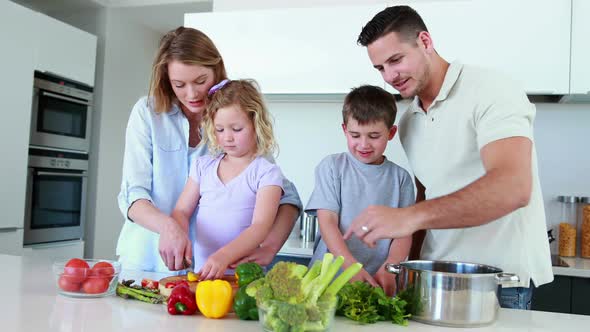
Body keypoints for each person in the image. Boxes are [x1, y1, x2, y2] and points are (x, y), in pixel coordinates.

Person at [344, 5, 553, 309]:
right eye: (380, 68)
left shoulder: (491, 90)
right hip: (433, 280)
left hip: (497, 283)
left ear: (425, 41)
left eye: (396, 60)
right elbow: (426, 197)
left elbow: (514, 187)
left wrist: (406, 217)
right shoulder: (409, 122)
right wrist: (399, 266)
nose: (389, 76)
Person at [116, 27, 302, 273]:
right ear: (166, 81)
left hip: (213, 269)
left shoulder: (233, 117)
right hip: (147, 259)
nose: (191, 94)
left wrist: (270, 246)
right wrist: (169, 226)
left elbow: (286, 197)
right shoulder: (147, 113)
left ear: (216, 70)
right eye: (179, 84)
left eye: (200, 81)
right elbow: (133, 194)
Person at [306, 85, 414, 296]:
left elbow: (404, 233)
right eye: (355, 135)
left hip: (376, 283)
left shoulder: (401, 179)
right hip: (327, 284)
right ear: (345, 130)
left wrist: (390, 269)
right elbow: (327, 222)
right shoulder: (332, 167)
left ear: (391, 133)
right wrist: (352, 268)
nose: (363, 144)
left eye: (374, 136)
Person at [171, 79, 284, 280]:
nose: (227, 138)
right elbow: (181, 211)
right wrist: (178, 235)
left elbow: (260, 227)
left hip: (245, 280)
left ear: (256, 123)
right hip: (203, 275)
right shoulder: (202, 166)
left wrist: (224, 256)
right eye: (220, 130)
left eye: (236, 129)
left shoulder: (267, 172)